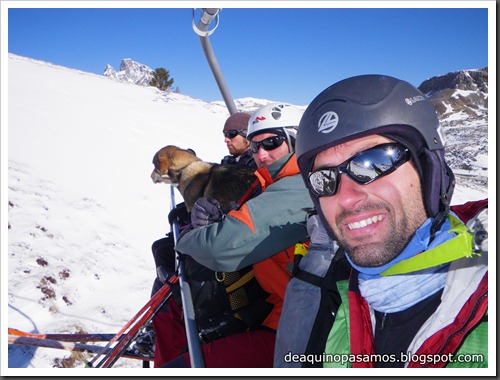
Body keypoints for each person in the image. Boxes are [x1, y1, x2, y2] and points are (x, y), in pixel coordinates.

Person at [276, 74, 488, 368]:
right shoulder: (340, 295)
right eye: (325, 179)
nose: (347, 197)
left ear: (429, 170)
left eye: (373, 162)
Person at [165, 102, 313, 367]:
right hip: (276, 310)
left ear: (295, 141)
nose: (262, 154)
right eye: (255, 146)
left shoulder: (299, 186)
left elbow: (220, 246)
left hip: (299, 330)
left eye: (271, 142)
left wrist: (187, 237)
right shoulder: (267, 183)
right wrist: (217, 220)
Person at [147, 111, 258, 367]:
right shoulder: (230, 162)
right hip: (218, 233)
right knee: (163, 252)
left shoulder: (253, 167)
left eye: (232, 135)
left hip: (233, 245)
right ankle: (163, 330)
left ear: (247, 136)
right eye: (225, 135)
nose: (227, 140)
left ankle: (173, 348)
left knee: (177, 289)